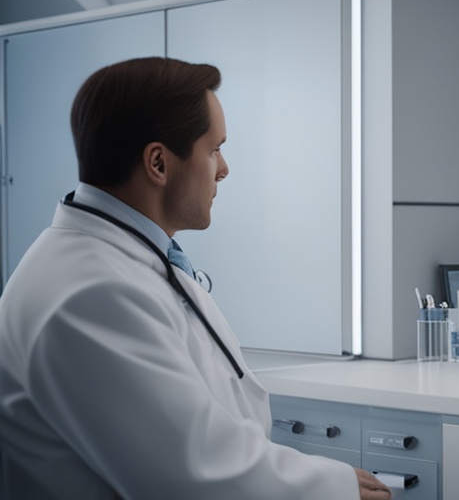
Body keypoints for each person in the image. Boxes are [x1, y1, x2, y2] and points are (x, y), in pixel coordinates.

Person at [0, 57, 391, 500]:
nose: (224, 169)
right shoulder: (88, 293)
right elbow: (191, 473)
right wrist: (329, 486)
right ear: (158, 164)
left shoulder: (127, 259)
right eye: (214, 149)